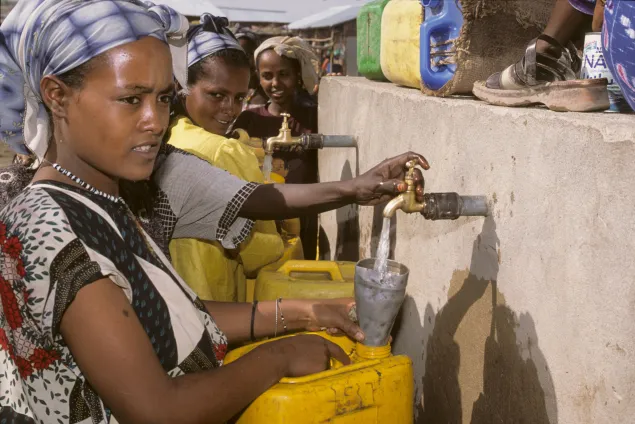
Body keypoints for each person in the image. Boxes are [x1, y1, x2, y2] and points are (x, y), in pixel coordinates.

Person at [0, 1, 430, 422]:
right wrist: (277, 356)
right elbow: (159, 409)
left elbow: (161, 314)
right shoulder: (53, 228)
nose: (156, 120)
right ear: (56, 96)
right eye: (132, 99)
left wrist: (304, 312)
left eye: (164, 98)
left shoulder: (99, 198)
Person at [167, 14, 284, 301]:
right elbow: (262, 250)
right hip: (213, 301)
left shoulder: (165, 136)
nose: (230, 109)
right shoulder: (224, 151)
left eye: (239, 97)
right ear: (183, 87)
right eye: (216, 95)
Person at [234, 36, 322, 259]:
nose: (275, 83)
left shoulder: (314, 117)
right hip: (262, 220)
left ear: (297, 75)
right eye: (267, 76)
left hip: (304, 217)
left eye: (284, 74)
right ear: (258, 77)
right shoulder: (248, 120)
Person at [235, 28, 268, 110]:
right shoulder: (225, 91)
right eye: (238, 55)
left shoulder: (270, 92)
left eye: (249, 54)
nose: (244, 60)